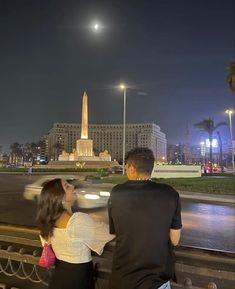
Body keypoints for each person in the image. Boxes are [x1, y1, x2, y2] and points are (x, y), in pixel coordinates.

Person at [108, 148, 182, 289]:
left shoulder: (117, 193)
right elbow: (175, 240)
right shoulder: (170, 194)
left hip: (122, 279)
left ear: (131, 168)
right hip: (156, 281)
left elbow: (114, 231)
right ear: (151, 168)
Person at [36, 178, 114, 289]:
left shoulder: (47, 223)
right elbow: (109, 233)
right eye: (67, 187)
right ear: (60, 197)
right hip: (78, 280)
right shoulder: (77, 221)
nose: (73, 187)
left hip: (58, 278)